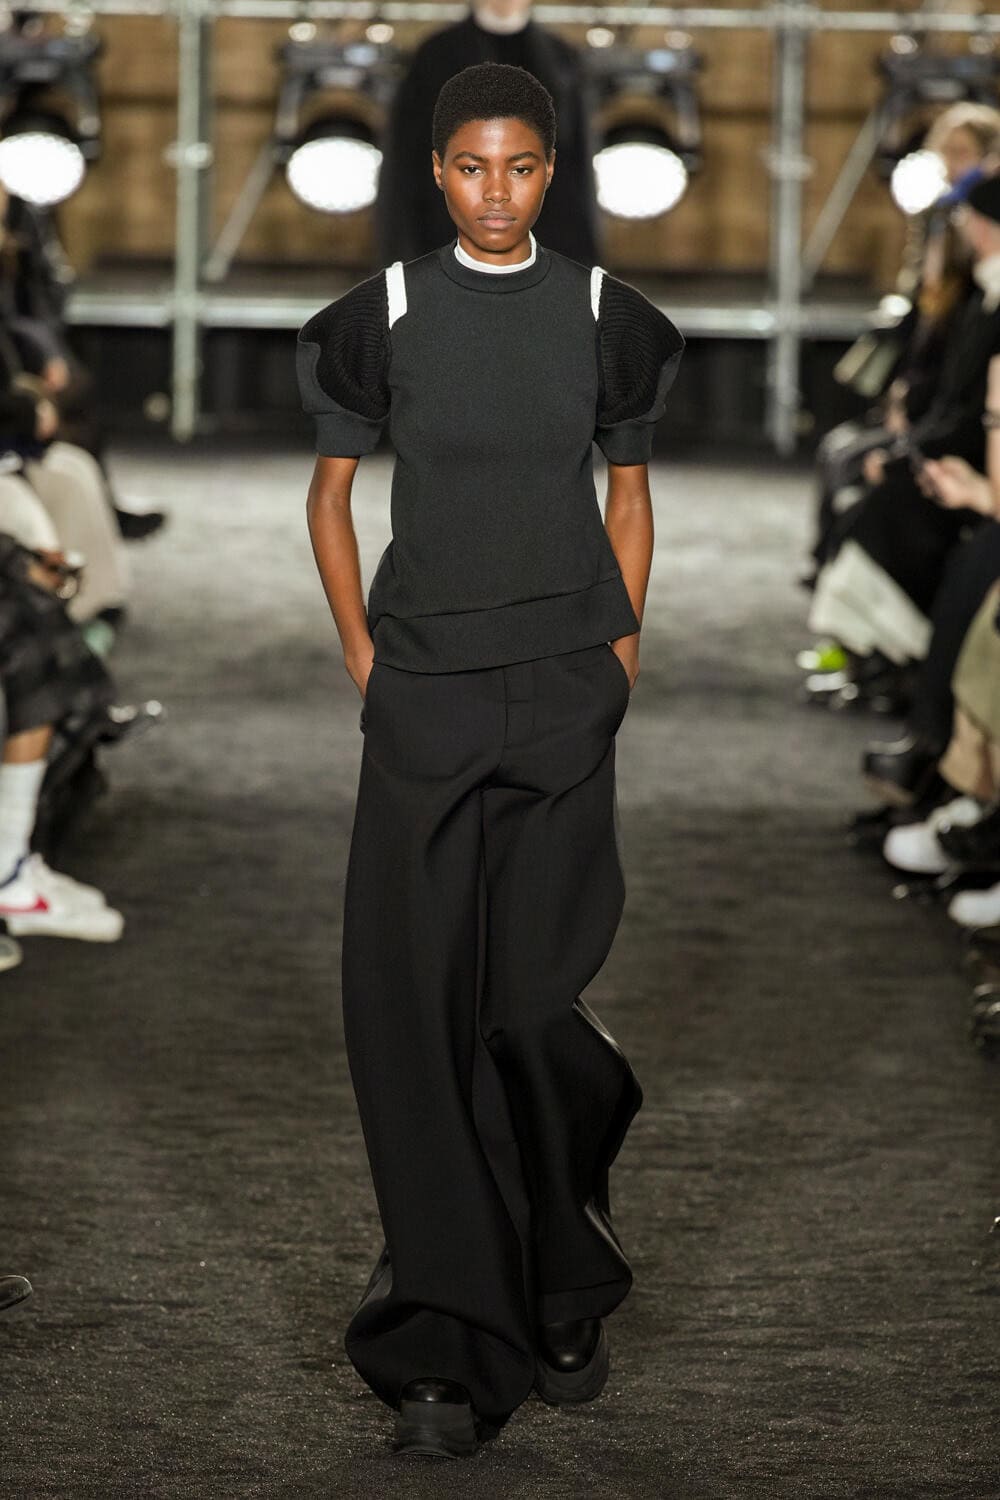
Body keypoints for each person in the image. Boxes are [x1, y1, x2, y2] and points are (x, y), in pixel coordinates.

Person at [297, 62, 683, 1459]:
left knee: (528, 1006)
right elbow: (330, 496)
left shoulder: (609, 318)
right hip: (425, 697)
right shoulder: (380, 317)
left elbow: (630, 493)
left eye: (520, 167)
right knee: (414, 1011)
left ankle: (563, 1260)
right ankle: (445, 1347)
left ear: (551, 173)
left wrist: (617, 658)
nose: (497, 193)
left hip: (565, 690)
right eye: (472, 167)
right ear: (437, 173)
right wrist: (365, 658)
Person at [374, 0, 601, 267]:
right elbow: (405, 163)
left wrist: (585, 263)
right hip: (446, 244)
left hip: (546, 246)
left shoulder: (562, 60)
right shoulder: (434, 56)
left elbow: (577, 165)